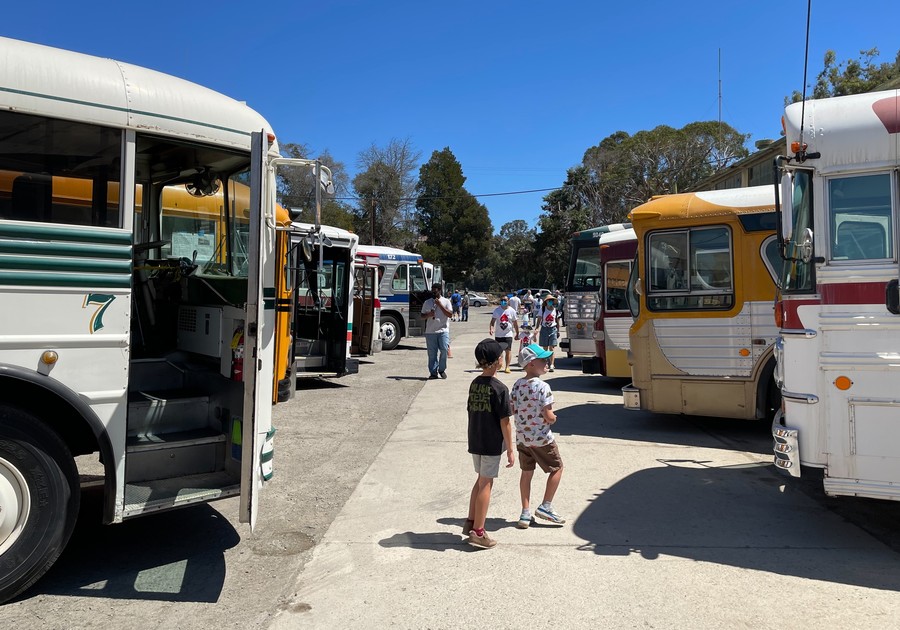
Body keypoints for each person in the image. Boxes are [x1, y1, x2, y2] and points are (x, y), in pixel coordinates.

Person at [464, 339, 516, 549]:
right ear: (497, 362)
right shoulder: (500, 389)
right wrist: (510, 449)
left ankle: (470, 521)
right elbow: (506, 422)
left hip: (475, 439)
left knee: (479, 480)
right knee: (486, 483)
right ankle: (478, 532)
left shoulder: (475, 383)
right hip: (491, 442)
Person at [511, 343, 565, 528]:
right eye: (543, 360)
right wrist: (553, 418)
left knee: (526, 473)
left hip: (522, 439)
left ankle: (525, 513)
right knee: (557, 468)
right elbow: (548, 416)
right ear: (532, 363)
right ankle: (546, 505)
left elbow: (512, 409)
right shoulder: (543, 387)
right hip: (541, 439)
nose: (547, 362)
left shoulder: (517, 385)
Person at [421, 285, 452, 379]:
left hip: (443, 330)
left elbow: (450, 314)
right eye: (432, 291)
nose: (434, 293)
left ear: (440, 291)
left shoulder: (446, 301)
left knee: (444, 349)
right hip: (430, 332)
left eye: (435, 291)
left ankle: (442, 370)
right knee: (432, 353)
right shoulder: (427, 302)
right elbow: (422, 316)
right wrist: (428, 314)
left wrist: (440, 305)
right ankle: (433, 372)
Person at [489, 295, 519, 374]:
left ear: (508, 301)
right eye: (502, 300)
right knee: (498, 351)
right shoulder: (497, 310)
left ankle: (507, 367)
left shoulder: (512, 311)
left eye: (505, 300)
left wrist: (517, 333)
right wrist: (491, 329)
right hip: (499, 334)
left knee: (508, 350)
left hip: (508, 334)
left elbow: (515, 323)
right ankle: (500, 363)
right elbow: (492, 322)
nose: (503, 301)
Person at [537, 294, 561, 372]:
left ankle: (552, 364)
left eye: (551, 301)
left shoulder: (555, 310)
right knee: (545, 347)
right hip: (544, 329)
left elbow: (557, 321)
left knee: (551, 347)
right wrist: (537, 328)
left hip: (553, 329)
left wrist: (558, 330)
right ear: (546, 302)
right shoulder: (542, 309)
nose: (550, 302)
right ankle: (546, 363)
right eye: (548, 301)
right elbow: (539, 319)